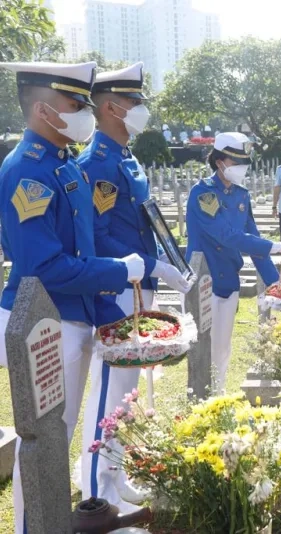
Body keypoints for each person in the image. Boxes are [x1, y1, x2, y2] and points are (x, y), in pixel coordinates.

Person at [0, 60, 145, 534]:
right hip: (45, 321)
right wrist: (119, 272)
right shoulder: (28, 171)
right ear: (42, 109)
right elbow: (43, 267)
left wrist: (108, 316)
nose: (85, 112)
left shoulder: (64, 165)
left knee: (57, 441)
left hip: (74, 317)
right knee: (43, 443)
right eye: (74, 103)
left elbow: (80, 249)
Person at [77, 62, 193, 512]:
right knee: (109, 390)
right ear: (110, 107)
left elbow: (145, 221)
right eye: (135, 102)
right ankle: (96, 495)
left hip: (139, 286)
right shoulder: (97, 163)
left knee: (123, 395)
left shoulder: (125, 156)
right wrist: (150, 265)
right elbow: (97, 236)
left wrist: (166, 263)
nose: (142, 110)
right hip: (116, 290)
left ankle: (115, 472)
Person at [186, 132, 281, 391]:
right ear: (219, 162)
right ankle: (203, 398)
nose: (242, 167)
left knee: (223, 346)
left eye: (245, 161)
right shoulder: (203, 194)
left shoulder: (241, 195)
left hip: (228, 279)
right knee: (204, 348)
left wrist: (277, 286)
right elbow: (227, 236)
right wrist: (277, 246)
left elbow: (253, 240)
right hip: (205, 280)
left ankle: (219, 395)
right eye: (236, 161)